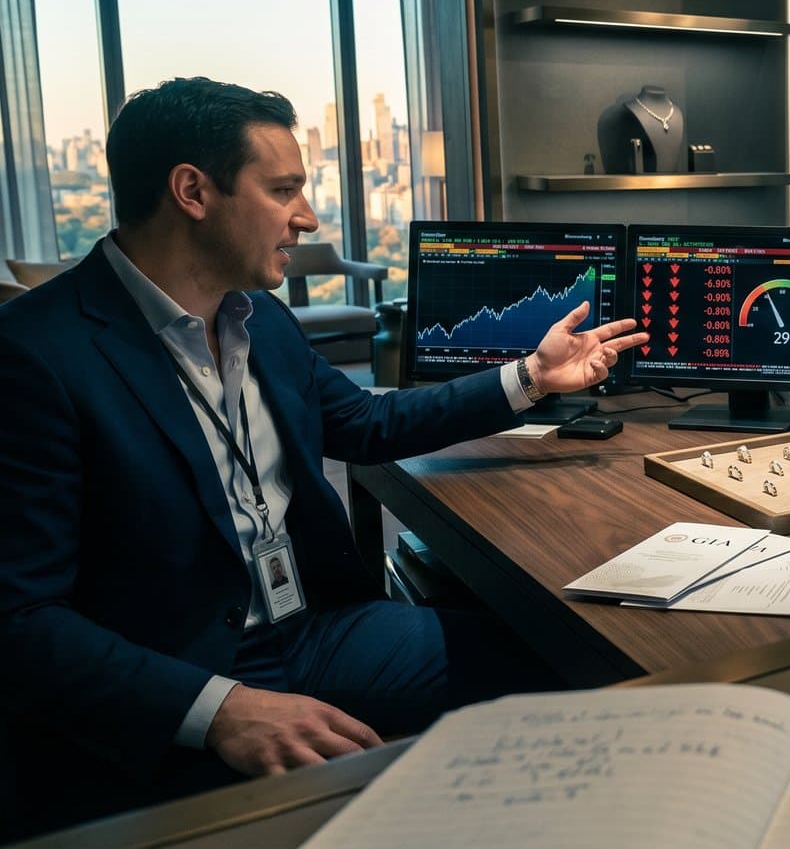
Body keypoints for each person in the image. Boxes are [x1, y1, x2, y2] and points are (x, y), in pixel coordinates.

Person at [0, 77, 648, 836]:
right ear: (192, 192)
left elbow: (368, 424)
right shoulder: (37, 355)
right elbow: (20, 619)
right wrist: (217, 711)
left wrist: (532, 377)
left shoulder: (262, 321)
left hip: (308, 632)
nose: (306, 217)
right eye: (283, 190)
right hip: (177, 673)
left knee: (562, 661)